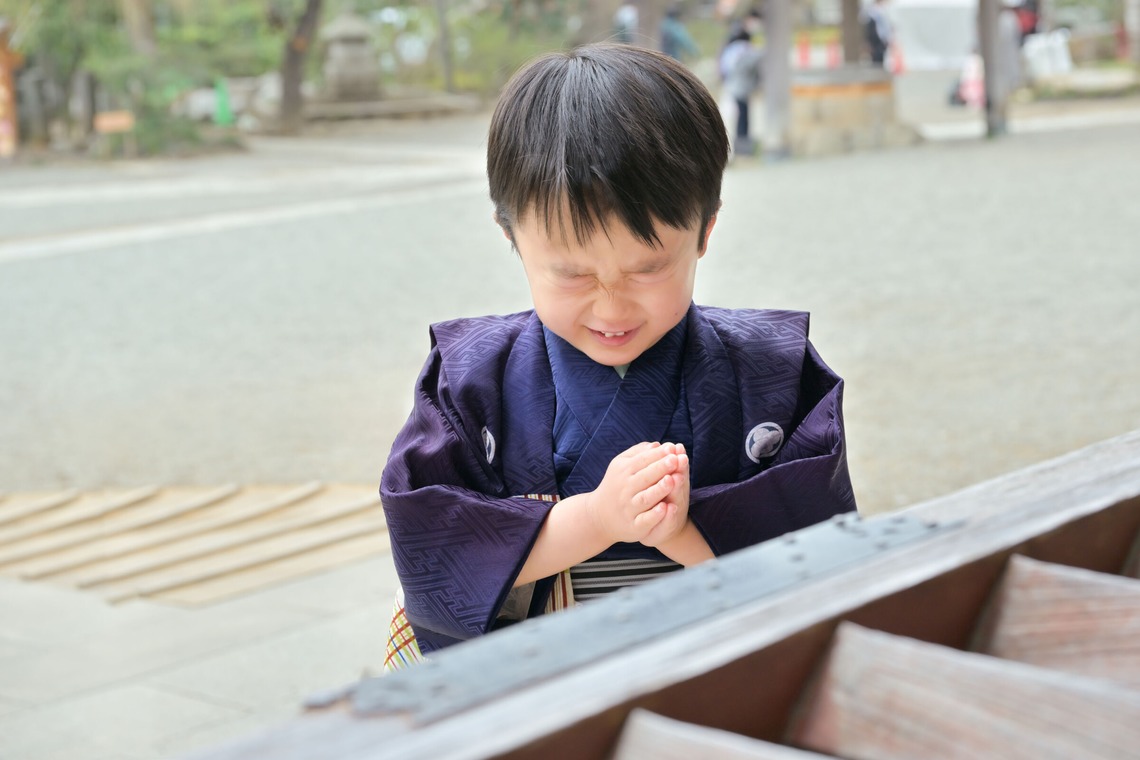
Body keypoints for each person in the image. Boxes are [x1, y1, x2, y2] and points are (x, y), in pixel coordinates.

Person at [381, 44, 857, 667]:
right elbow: (433, 547)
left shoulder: (773, 371)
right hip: (543, 678)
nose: (612, 309)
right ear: (511, 238)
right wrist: (596, 521)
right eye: (572, 275)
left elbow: (819, 564)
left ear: (706, 230)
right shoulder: (470, 381)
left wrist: (684, 532)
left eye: (649, 268)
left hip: (712, 669)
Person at [719, 26, 763, 156]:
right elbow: (756, 62)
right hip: (741, 87)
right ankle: (743, 145)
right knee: (743, 116)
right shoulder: (747, 49)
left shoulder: (730, 49)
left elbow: (724, 68)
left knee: (737, 115)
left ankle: (739, 144)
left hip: (731, 85)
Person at [863, 0, 892, 66]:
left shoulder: (882, 10)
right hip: (877, 39)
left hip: (880, 39)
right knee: (877, 59)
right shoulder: (874, 12)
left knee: (879, 58)